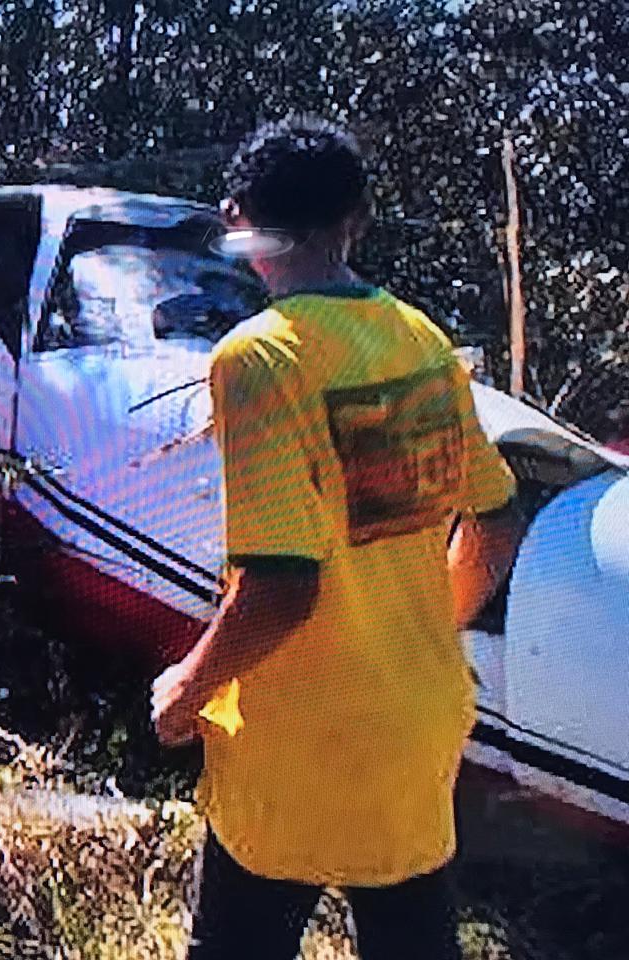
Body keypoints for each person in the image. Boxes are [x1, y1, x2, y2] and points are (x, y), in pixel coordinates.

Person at [150, 116, 524, 960]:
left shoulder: (262, 359)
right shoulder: (423, 340)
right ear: (356, 218)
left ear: (238, 217)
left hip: (301, 736)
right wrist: (426, 628)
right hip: (417, 720)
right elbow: (498, 522)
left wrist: (184, 688)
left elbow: (283, 587)